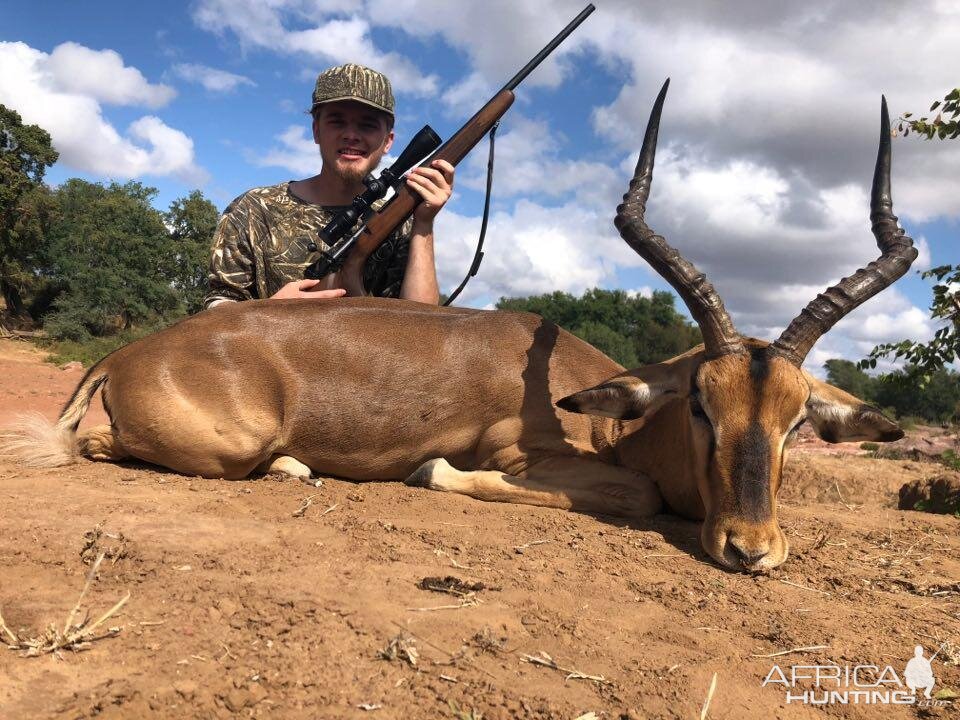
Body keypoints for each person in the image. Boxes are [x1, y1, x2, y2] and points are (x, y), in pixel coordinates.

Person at [203, 63, 455, 309]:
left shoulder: (400, 221)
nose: (351, 135)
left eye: (367, 124)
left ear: (388, 141)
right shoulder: (254, 210)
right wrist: (269, 311)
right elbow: (217, 307)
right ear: (316, 130)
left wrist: (424, 223)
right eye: (337, 121)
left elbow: (420, 326)